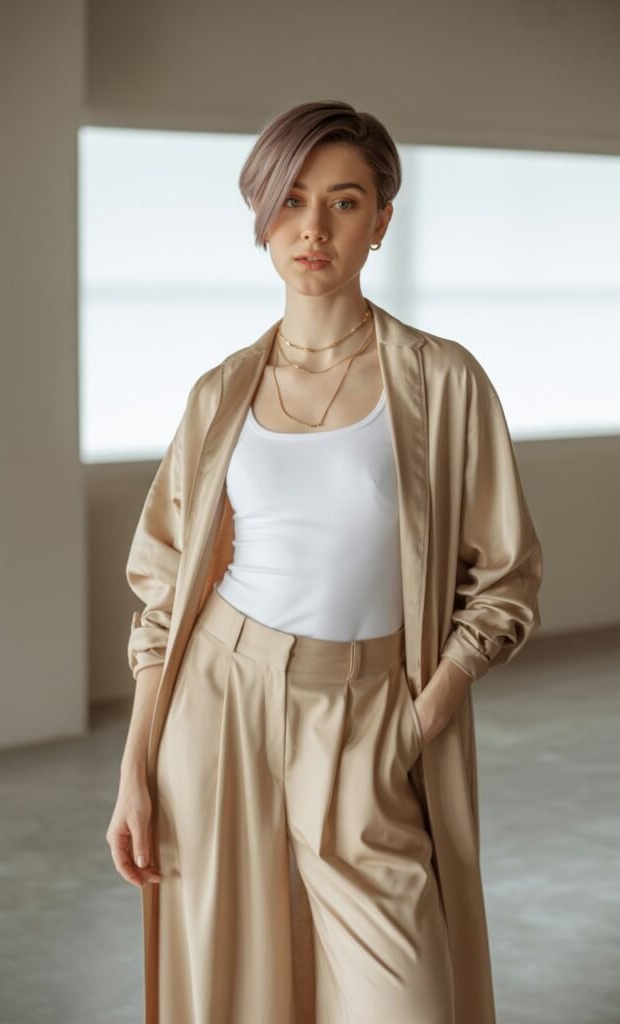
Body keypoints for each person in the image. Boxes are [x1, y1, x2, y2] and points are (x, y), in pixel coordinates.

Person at [106, 100, 543, 1024]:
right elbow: (161, 590)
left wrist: (418, 720)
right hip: (218, 707)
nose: (313, 227)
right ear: (264, 214)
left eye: (344, 202)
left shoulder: (442, 379)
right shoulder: (221, 391)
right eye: (292, 199)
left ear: (381, 221)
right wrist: (136, 770)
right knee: (238, 995)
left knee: (406, 997)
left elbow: (504, 580)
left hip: (367, 713)